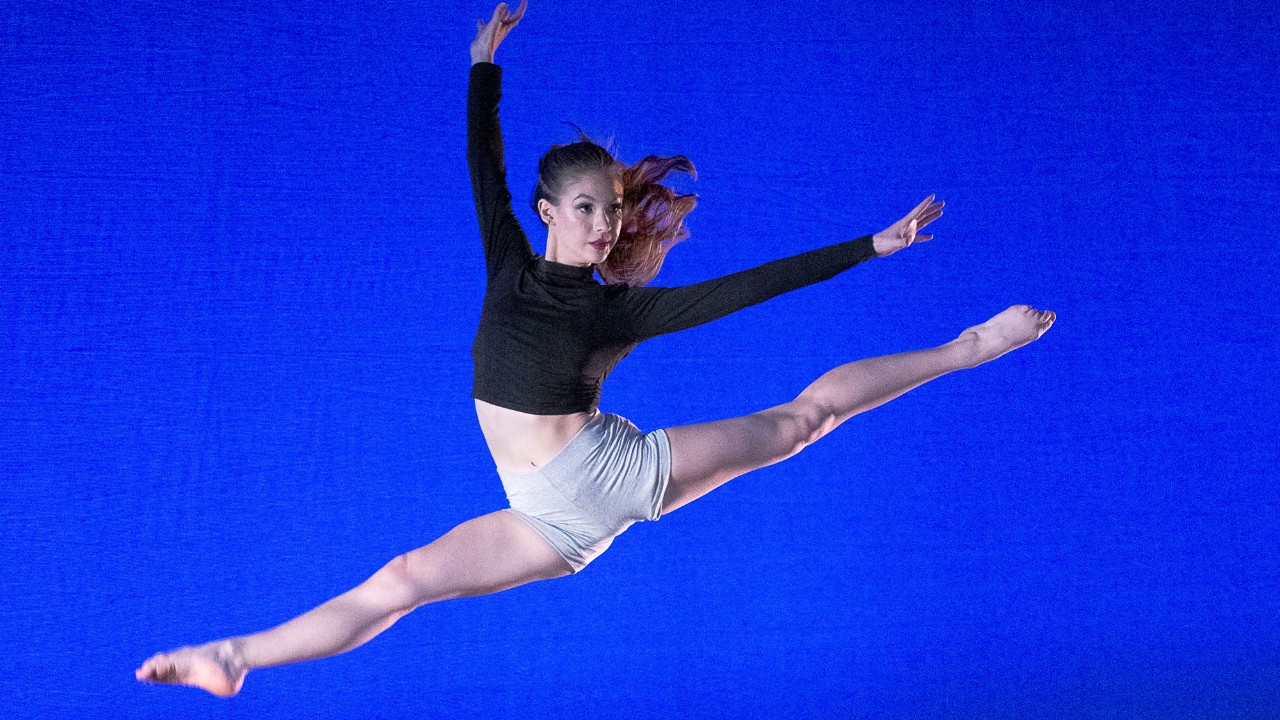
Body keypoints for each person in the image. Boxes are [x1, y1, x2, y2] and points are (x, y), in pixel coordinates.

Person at [135, 0, 1055, 697]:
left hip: (605, 476)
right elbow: (482, 163)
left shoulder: (615, 311)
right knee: (401, 582)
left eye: (613, 212)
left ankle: (966, 348)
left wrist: (870, 246)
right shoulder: (507, 259)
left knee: (798, 421)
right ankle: (234, 655)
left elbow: (748, 289)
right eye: (589, 209)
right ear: (548, 214)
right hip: (541, 516)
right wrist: (482, 62)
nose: (608, 227)